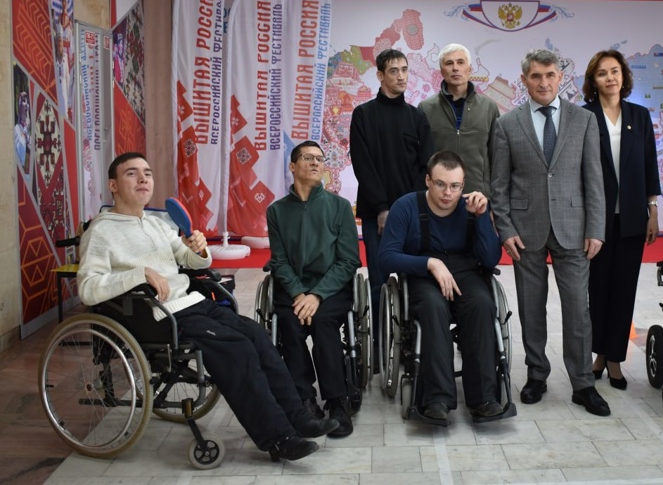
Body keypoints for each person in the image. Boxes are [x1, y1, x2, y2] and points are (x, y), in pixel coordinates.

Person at [77, 152, 340, 462]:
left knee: (256, 334)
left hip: (191, 302)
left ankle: (299, 418)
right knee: (237, 348)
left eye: (147, 173)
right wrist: (140, 274)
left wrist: (198, 248)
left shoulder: (156, 224)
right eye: (132, 173)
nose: (143, 179)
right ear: (113, 185)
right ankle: (278, 438)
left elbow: (190, 260)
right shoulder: (102, 231)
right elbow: (88, 288)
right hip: (158, 315)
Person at [491, 48, 610, 416]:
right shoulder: (507, 124)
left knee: (577, 309)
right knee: (531, 307)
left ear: (561, 78)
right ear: (524, 80)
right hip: (525, 231)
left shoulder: (584, 120)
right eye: (536, 76)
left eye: (550, 75)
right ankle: (536, 375)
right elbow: (499, 185)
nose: (543, 83)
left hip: (574, 229)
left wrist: (596, 228)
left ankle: (583, 384)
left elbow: (594, 178)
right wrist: (505, 229)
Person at [379, 151, 506, 422]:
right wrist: (430, 263)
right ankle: (437, 398)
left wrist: (482, 217)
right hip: (423, 273)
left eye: (455, 186)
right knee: (433, 309)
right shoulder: (406, 206)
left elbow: (490, 259)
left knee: (482, 305)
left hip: (465, 272)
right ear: (428, 180)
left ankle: (484, 398)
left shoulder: (472, 207)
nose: (448, 193)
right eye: (440, 184)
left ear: (463, 185)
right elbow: (386, 256)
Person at [267, 141, 362, 437]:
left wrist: (317, 295)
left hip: (330, 288)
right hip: (293, 290)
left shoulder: (339, 207)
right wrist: (299, 294)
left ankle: (338, 400)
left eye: (320, 159)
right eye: (308, 158)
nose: (315, 163)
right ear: (292, 166)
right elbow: (279, 261)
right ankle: (305, 400)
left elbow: (349, 260)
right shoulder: (277, 211)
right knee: (290, 324)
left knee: (323, 322)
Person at [581, 50, 661, 390]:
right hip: (595, 219)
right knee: (598, 289)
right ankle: (598, 354)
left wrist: (652, 209)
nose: (610, 77)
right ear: (593, 80)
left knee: (624, 289)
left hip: (631, 218)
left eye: (615, 71)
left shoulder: (639, 116)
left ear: (624, 76)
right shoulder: (583, 116)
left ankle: (614, 358)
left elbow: (649, 164)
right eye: (602, 73)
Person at [350, 48, 433, 360]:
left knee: (415, 281)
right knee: (378, 282)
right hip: (377, 214)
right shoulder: (363, 115)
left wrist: (407, 210)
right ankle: (380, 348)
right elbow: (363, 165)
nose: (401, 76)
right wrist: (384, 208)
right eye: (394, 71)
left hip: (413, 215)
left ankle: (412, 345)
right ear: (380, 75)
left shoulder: (416, 116)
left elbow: (425, 168)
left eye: (405, 70)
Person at [419, 43, 500, 197]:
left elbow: (497, 159)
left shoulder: (489, 108)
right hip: (439, 197)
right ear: (442, 71)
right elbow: (422, 160)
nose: (455, 68)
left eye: (460, 62)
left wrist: (492, 199)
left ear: (470, 69)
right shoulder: (425, 108)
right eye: (449, 63)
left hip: (478, 197)